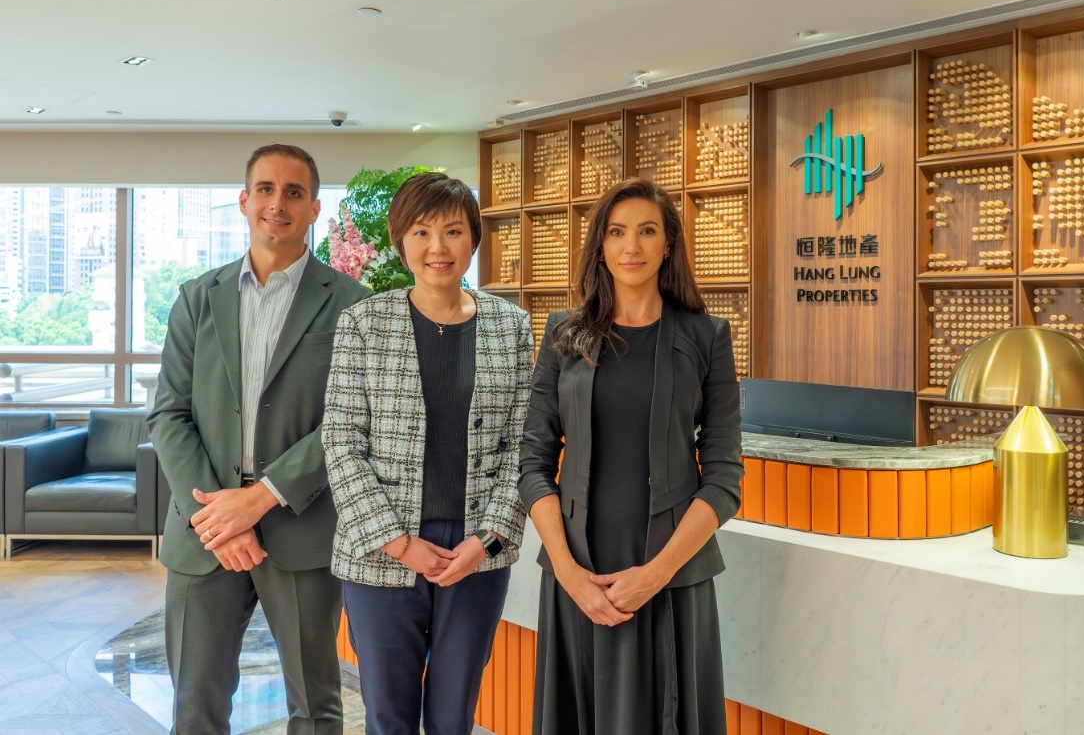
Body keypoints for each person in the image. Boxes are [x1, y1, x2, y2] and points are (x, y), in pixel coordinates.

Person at [148, 144, 371, 734]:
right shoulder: (197, 297)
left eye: (294, 192)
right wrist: (217, 515)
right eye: (266, 190)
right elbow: (168, 415)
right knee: (195, 706)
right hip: (206, 532)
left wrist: (263, 495)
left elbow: (351, 419)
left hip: (303, 528)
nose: (278, 203)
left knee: (316, 708)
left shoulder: (353, 305)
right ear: (244, 201)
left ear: (315, 208)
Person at [518, 177, 743, 734]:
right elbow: (532, 463)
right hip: (578, 572)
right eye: (617, 232)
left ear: (669, 244)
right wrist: (569, 574)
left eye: (647, 231)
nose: (632, 247)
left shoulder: (706, 336)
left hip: (671, 574)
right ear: (600, 245)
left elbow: (723, 477)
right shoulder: (563, 335)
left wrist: (655, 574)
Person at [323, 171, 533, 735]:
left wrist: (486, 539)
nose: (437, 247)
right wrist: (398, 542)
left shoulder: (510, 326)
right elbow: (341, 442)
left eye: (453, 231)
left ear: (473, 240)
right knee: (388, 716)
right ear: (401, 241)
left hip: (474, 553)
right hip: (382, 554)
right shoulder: (363, 322)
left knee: (454, 715)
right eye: (421, 232)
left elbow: (523, 447)